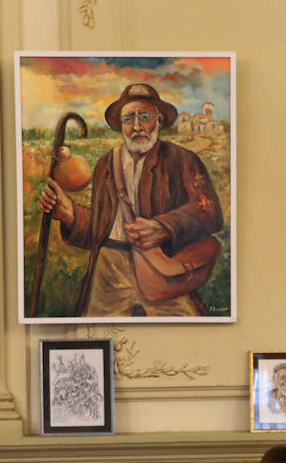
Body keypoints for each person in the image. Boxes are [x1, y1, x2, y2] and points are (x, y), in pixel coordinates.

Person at [38, 82, 223, 318]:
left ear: (159, 121)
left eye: (144, 116)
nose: (136, 126)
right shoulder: (106, 164)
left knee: (190, 331)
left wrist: (164, 227)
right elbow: (101, 228)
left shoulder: (182, 160)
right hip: (110, 267)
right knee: (93, 334)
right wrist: (70, 214)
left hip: (162, 266)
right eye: (128, 119)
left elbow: (209, 212)